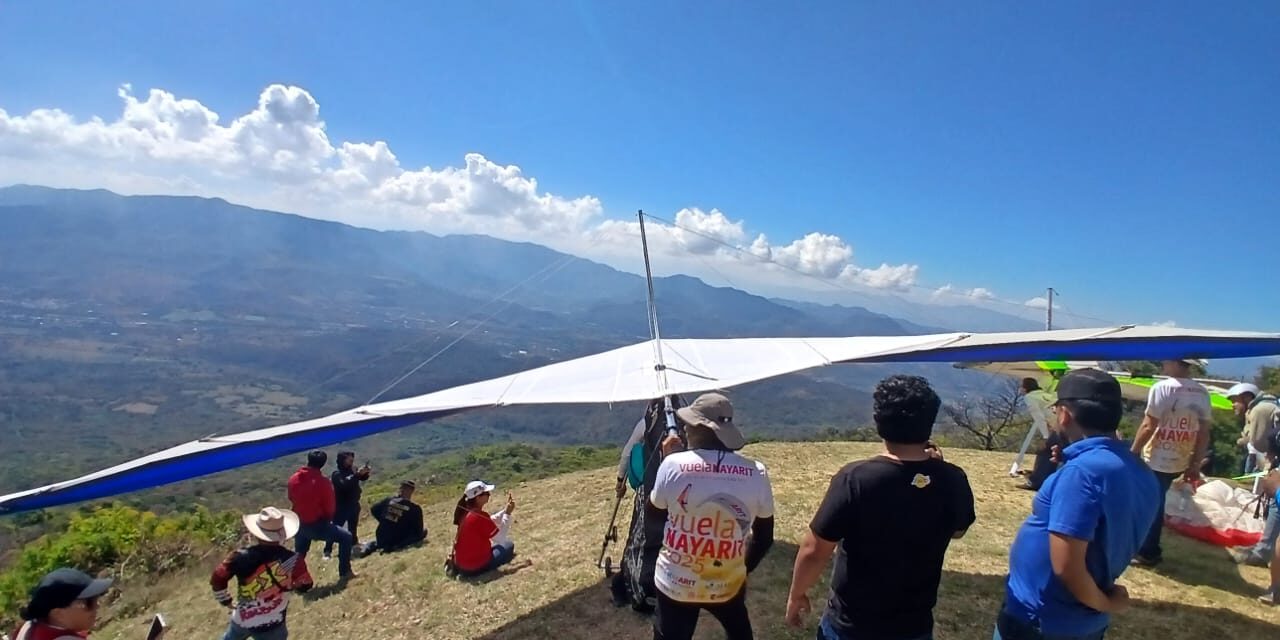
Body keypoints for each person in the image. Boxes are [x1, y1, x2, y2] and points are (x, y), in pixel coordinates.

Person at [786, 375, 975, 640]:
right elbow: (958, 530)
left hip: (852, 624)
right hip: (914, 625)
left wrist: (796, 594)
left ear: (879, 421)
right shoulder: (953, 478)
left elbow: (815, 550)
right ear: (929, 422)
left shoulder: (855, 478)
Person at [994, 369, 1161, 640]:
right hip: (1078, 622)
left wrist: (1108, 605)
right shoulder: (1138, 469)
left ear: (1064, 414)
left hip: (1043, 621)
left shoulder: (1083, 473)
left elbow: (1067, 567)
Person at [648, 392, 775, 640]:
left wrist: (667, 460)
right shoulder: (756, 473)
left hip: (675, 581)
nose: (684, 428)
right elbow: (765, 536)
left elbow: (654, 519)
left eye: (689, 424)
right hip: (727, 581)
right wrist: (741, 569)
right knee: (739, 632)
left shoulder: (673, 466)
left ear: (702, 429)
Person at [1129, 358, 1213, 567]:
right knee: (1157, 498)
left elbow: (1149, 425)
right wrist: (1194, 463)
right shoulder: (1202, 392)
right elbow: (1203, 433)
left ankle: (1148, 551)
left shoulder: (1162, 388)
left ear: (1176, 363)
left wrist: (1133, 451)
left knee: (1152, 502)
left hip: (1157, 455)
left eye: (1167, 360)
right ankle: (1146, 547)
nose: (1163, 363)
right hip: (1180, 455)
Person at [211, 507, 313, 640]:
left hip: (242, 618)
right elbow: (306, 584)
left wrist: (226, 600)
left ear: (256, 533)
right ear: (282, 534)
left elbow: (218, 577)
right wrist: (293, 586)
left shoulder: (238, 557)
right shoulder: (293, 560)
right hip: (273, 623)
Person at [287, 450, 355, 580]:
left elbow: (291, 497)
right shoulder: (323, 482)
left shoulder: (293, 479)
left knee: (300, 553)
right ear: (323, 464)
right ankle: (345, 572)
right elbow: (329, 508)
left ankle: (293, 579)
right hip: (317, 524)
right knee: (346, 537)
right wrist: (327, 521)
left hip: (299, 523)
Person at [10, 568, 112, 639]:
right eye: (88, 602)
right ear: (59, 614)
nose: (97, 606)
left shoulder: (27, 630)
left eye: (94, 599)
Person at [451, 480, 520, 577]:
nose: (489, 495)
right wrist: (507, 514)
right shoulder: (478, 516)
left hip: (461, 565)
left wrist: (505, 511)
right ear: (478, 498)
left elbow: (488, 520)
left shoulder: (466, 512)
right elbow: (501, 539)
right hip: (474, 567)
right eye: (486, 493)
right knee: (508, 545)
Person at [323, 451, 370, 561]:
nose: (351, 462)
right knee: (335, 528)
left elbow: (360, 478)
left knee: (352, 526)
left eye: (352, 460)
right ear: (342, 460)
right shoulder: (337, 474)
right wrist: (357, 474)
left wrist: (365, 473)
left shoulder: (353, 469)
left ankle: (354, 543)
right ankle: (327, 550)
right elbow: (345, 484)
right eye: (349, 460)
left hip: (353, 503)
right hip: (341, 506)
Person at [1227, 383, 1278, 476]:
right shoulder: (1266, 406)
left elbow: (1259, 444)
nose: (1233, 405)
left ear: (1247, 397)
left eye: (1235, 401)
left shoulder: (1260, 409)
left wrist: (1242, 441)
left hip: (1271, 464)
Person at [365, 480, 427, 554]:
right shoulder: (414, 508)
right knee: (423, 532)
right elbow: (418, 531)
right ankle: (397, 546)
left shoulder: (388, 501)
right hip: (398, 540)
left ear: (400, 489)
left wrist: (385, 520)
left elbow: (373, 510)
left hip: (382, 539)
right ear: (411, 491)